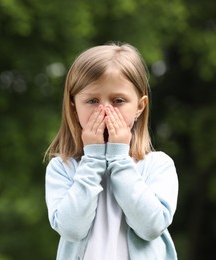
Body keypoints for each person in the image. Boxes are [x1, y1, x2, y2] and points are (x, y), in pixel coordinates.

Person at [44, 42, 178, 260]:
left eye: (118, 101)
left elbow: (151, 227)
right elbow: (71, 229)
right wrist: (94, 158)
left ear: (140, 106)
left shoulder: (158, 165)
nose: (105, 110)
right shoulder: (62, 168)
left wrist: (119, 159)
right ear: (73, 107)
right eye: (92, 101)